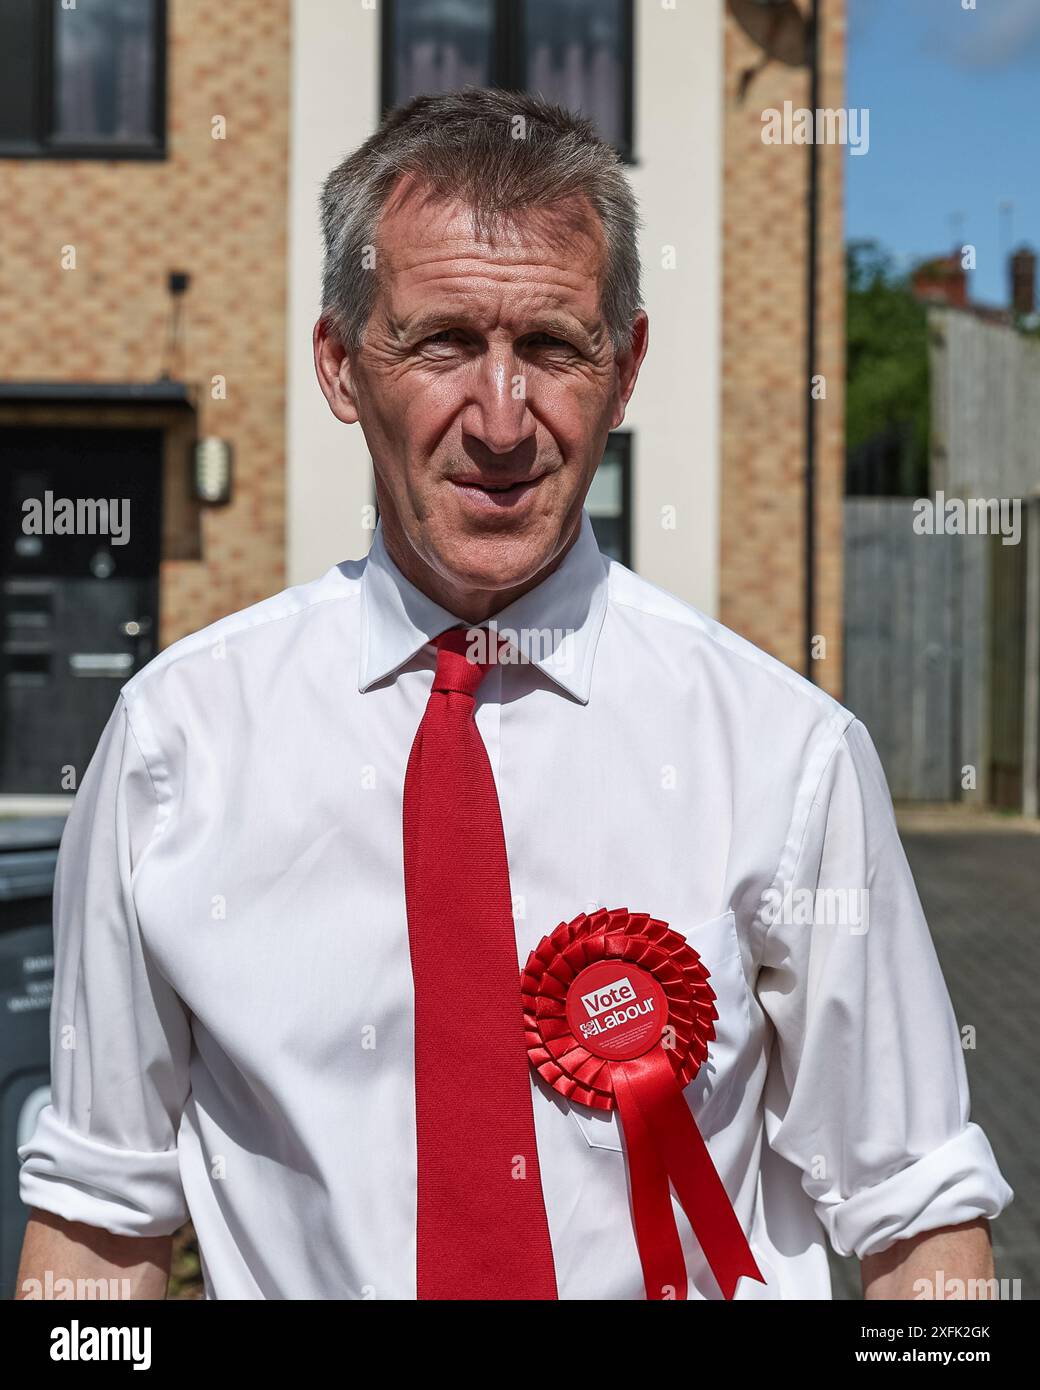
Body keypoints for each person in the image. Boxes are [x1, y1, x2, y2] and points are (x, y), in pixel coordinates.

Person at [17, 88, 1011, 1301]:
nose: (500, 418)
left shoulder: (784, 752)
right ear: (339, 365)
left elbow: (919, 1220)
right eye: (439, 342)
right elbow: (99, 1231)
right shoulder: (178, 743)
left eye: (550, 346)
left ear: (625, 365)